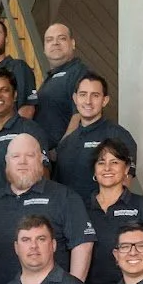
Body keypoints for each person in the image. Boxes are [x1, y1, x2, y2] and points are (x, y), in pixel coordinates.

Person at [0, 134, 95, 284]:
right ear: (7, 162)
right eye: (16, 156)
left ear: (41, 160)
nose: (22, 162)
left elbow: (82, 245)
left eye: (30, 155)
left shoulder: (64, 197)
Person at [86, 138, 143, 284]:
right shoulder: (82, 208)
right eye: (101, 162)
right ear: (94, 170)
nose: (107, 168)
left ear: (126, 169)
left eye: (114, 162)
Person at [54, 72, 137, 204]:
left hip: (104, 219)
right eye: (83, 95)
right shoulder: (66, 144)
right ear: (75, 98)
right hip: (71, 219)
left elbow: (124, 185)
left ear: (105, 100)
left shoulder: (119, 136)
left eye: (95, 95)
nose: (88, 101)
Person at [0, 66, 51, 200]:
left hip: (23, 215)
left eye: (4, 90)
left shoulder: (30, 130)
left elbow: (44, 176)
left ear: (14, 95)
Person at [34, 21, 90, 149]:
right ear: (44, 48)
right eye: (49, 40)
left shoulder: (79, 72)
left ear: (73, 43)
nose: (55, 43)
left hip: (65, 157)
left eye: (62, 38)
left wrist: (62, 150)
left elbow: (80, 114)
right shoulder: (51, 77)